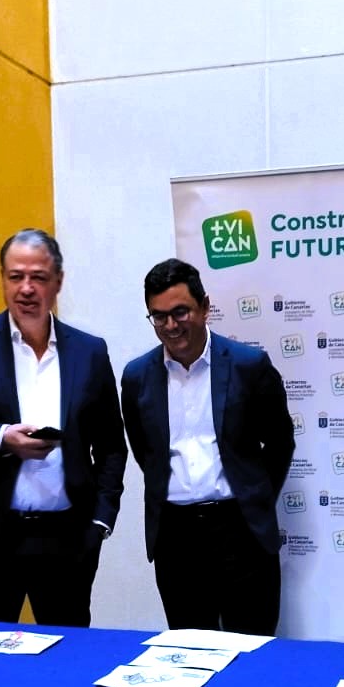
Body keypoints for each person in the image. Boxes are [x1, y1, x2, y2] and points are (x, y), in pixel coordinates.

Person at [0, 229, 126, 626]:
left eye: (38, 277)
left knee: (67, 655)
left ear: (58, 282)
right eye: (16, 276)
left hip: (67, 541)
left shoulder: (89, 351)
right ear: (3, 279)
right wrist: (1, 438)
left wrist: (101, 519)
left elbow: (112, 446)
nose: (26, 288)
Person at [120, 258, 295, 635]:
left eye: (180, 312)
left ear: (204, 307)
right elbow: (146, 452)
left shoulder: (248, 365)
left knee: (252, 648)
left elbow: (280, 440)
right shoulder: (137, 377)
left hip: (241, 531)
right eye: (158, 316)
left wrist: (255, 495)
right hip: (175, 538)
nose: (170, 325)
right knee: (189, 651)